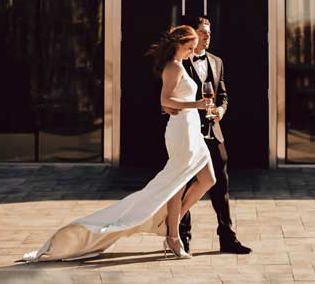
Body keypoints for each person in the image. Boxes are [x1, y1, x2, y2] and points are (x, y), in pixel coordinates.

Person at [22, 25, 215, 262]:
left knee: (207, 179)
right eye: (189, 47)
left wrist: (197, 108)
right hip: (182, 131)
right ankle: (173, 235)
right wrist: (195, 105)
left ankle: (168, 223)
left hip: (193, 128)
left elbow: (174, 103)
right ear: (178, 44)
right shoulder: (173, 67)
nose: (191, 52)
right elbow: (165, 101)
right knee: (176, 183)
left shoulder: (182, 65)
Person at [163, 17, 251, 255]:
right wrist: (195, 105)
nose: (206, 37)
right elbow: (167, 98)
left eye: (209, 33)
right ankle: (181, 235)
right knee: (185, 181)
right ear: (192, 34)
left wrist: (220, 111)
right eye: (202, 32)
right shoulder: (179, 61)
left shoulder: (217, 61)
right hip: (189, 131)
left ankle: (227, 237)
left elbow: (222, 94)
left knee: (219, 183)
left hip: (213, 131)